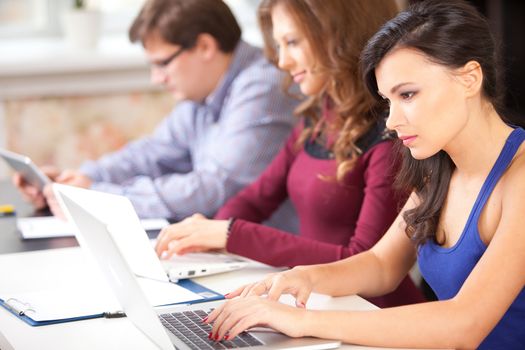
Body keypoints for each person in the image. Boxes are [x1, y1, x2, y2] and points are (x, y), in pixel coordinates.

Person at [203, 1, 525, 348]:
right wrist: (304, 277)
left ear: (469, 78)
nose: (391, 121)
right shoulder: (440, 168)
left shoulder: (519, 179)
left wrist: (302, 320)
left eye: (408, 94)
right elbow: (382, 265)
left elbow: (465, 323)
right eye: (388, 101)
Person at [155, 0, 424, 308]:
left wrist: (231, 235)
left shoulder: (393, 132)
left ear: (340, 34)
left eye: (293, 42)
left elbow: (361, 259)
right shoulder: (319, 119)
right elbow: (258, 197)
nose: (282, 61)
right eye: (279, 44)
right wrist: (206, 231)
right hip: (317, 303)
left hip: (375, 314)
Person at [13, 0, 298, 227]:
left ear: (204, 47)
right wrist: (78, 180)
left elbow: (217, 186)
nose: (156, 78)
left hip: (273, 263)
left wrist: (100, 198)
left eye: (163, 64)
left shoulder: (264, 86)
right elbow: (154, 152)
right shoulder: (203, 91)